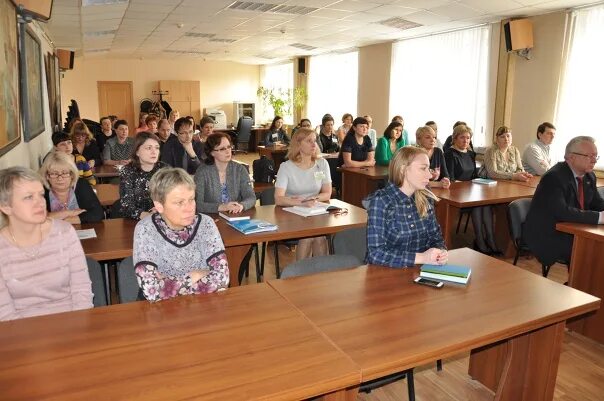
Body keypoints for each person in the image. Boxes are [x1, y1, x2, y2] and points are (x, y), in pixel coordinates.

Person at [0, 167, 93, 321]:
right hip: (21, 332)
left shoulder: (64, 233)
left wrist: (77, 330)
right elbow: (4, 313)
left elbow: (81, 291)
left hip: (71, 322)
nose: (41, 203)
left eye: (41, 195)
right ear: (5, 207)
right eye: (29, 197)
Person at [133, 168, 229, 302]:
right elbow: (151, 291)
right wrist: (195, 275)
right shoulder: (145, 229)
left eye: (191, 199)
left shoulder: (206, 224)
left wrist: (168, 284)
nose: (190, 208)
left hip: (202, 307)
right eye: (179, 202)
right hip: (160, 312)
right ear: (159, 205)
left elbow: (222, 279)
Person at [524, 136, 604, 266]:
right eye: (590, 156)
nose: (594, 160)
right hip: (550, 233)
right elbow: (562, 212)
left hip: (574, 229)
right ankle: (578, 284)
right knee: (591, 250)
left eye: (596, 156)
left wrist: (601, 213)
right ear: (571, 157)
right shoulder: (554, 177)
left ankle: (585, 284)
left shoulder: (589, 176)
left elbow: (597, 203)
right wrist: (599, 217)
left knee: (595, 247)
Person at [365, 146, 448, 267]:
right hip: (385, 274)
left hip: (418, 271)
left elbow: (435, 238)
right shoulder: (381, 201)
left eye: (428, 168)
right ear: (403, 169)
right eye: (423, 168)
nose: (429, 175)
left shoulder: (425, 198)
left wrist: (440, 252)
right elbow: (375, 254)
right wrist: (421, 257)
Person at [275, 128, 332, 260]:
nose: (314, 144)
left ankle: (321, 275)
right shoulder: (286, 167)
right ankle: (301, 276)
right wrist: (302, 202)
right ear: (298, 144)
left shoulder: (322, 163)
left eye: (315, 140)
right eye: (309, 141)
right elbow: (278, 198)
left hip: (314, 210)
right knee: (309, 236)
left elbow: (327, 193)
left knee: (319, 235)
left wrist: (313, 199)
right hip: (291, 213)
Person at [444, 124, 499, 255]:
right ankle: (480, 242)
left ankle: (491, 241)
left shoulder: (470, 154)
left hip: (471, 191)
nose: (466, 141)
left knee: (485, 204)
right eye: (462, 137)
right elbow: (450, 178)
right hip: (455, 193)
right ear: (455, 138)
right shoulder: (450, 154)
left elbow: (474, 175)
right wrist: (467, 185)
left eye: (468, 138)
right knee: (478, 206)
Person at [194, 133, 256, 214]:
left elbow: (251, 197)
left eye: (229, 147)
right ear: (212, 152)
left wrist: (241, 205)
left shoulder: (240, 169)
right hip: (211, 218)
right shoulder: (202, 172)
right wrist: (221, 207)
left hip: (235, 216)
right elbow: (198, 205)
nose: (228, 151)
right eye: (222, 149)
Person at [40, 151, 103, 224]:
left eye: (64, 173)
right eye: (54, 173)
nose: (60, 178)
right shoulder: (41, 190)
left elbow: (97, 213)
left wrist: (64, 220)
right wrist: (70, 213)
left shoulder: (81, 185)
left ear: (72, 174)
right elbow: (38, 218)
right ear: (47, 176)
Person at [118, 132, 165, 220]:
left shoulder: (164, 169)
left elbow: (175, 197)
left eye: (157, 148)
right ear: (137, 152)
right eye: (149, 148)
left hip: (163, 218)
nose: (154, 152)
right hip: (136, 221)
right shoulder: (128, 171)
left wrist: (162, 209)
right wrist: (149, 215)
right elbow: (127, 207)